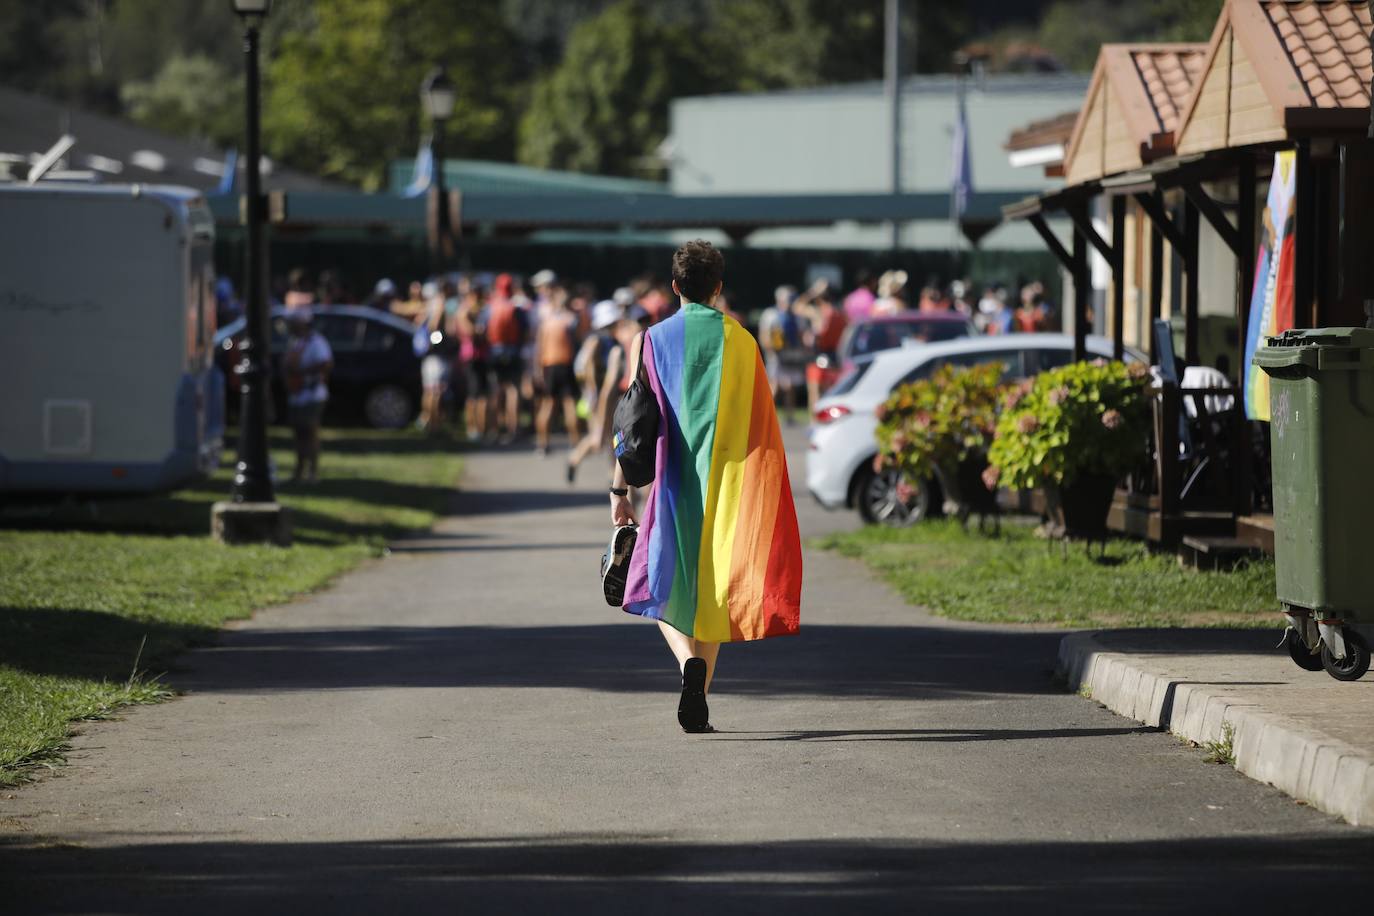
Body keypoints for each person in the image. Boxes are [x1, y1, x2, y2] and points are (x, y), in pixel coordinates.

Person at [608, 239, 802, 733]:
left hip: (672, 485)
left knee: (659, 585)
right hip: (730, 489)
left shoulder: (650, 341)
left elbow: (633, 425)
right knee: (712, 592)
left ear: (674, 287)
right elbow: (759, 422)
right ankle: (701, 699)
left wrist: (619, 492)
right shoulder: (742, 342)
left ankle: (685, 666)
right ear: (718, 288)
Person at [566, 299, 623, 483]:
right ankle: (575, 459)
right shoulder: (598, 340)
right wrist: (593, 393)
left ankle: (611, 473)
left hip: (603, 394)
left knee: (609, 437)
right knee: (599, 437)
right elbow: (588, 365)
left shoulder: (605, 339)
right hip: (599, 395)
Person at [283, 308, 333, 483]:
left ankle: (312, 472)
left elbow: (326, 364)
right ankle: (298, 471)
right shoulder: (295, 341)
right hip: (297, 393)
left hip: (312, 394)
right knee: (298, 433)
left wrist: (301, 372)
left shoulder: (316, 342)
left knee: (310, 432)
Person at [533, 284, 581, 455]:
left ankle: (542, 444)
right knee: (569, 405)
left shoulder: (546, 322)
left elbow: (539, 347)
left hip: (549, 365)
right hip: (565, 364)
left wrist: (538, 370)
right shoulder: (570, 319)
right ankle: (575, 443)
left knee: (549, 405)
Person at [757, 285, 809, 423]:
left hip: (791, 354)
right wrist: (769, 350)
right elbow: (764, 335)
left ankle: (789, 416)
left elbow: (801, 335)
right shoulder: (770, 314)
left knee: (790, 386)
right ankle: (765, 417)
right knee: (774, 385)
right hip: (776, 355)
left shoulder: (797, 317)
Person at [485, 272, 527, 443]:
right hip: (513, 351)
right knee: (512, 391)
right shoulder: (516, 308)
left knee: (496, 391)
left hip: (494, 351)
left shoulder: (490, 306)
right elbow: (524, 331)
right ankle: (513, 429)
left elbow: (483, 329)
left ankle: (495, 429)